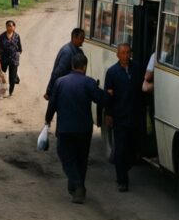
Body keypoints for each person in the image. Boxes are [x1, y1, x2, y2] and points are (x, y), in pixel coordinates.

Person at [45, 52, 105, 204]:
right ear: (84, 67)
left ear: (72, 65)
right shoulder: (89, 82)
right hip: (84, 129)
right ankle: (78, 188)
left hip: (65, 129)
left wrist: (48, 120)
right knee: (81, 159)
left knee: (66, 157)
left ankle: (77, 186)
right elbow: (101, 99)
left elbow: (52, 104)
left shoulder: (60, 82)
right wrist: (109, 94)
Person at [104, 43, 141, 192]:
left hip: (134, 115)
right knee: (120, 149)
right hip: (119, 116)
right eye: (123, 53)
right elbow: (108, 95)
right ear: (117, 55)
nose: (126, 56)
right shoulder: (112, 72)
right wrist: (108, 113)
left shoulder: (136, 68)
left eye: (128, 53)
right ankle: (122, 180)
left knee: (131, 150)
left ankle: (124, 167)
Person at [45, 28, 85, 100]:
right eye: (81, 38)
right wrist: (49, 91)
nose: (83, 40)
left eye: (83, 38)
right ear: (74, 38)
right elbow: (57, 73)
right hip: (64, 91)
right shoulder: (67, 52)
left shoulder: (78, 51)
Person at [0, 20, 23, 97]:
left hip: (14, 60)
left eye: (11, 26)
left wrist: (16, 54)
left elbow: (20, 49)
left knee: (12, 77)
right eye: (8, 26)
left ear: (14, 27)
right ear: (6, 27)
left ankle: (10, 92)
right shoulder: (1, 36)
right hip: (3, 59)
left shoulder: (17, 36)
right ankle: (2, 90)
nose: (10, 27)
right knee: (2, 75)